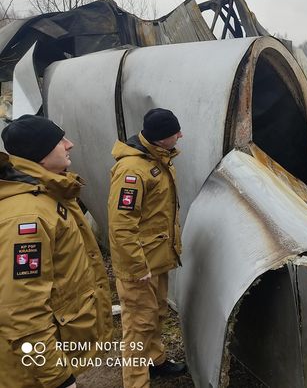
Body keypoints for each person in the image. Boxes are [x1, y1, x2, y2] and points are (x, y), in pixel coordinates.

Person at [0, 115, 112, 388]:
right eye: (60, 140)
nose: (69, 144)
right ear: (40, 155)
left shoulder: (48, 192)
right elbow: (22, 312)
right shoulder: (27, 218)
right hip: (34, 376)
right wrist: (58, 379)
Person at [107, 108, 186, 388]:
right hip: (139, 264)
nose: (180, 136)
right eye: (174, 133)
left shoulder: (159, 158)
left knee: (157, 314)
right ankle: (136, 382)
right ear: (159, 138)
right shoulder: (132, 171)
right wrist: (136, 266)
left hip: (158, 256)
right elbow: (121, 224)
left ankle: (156, 361)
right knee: (138, 326)